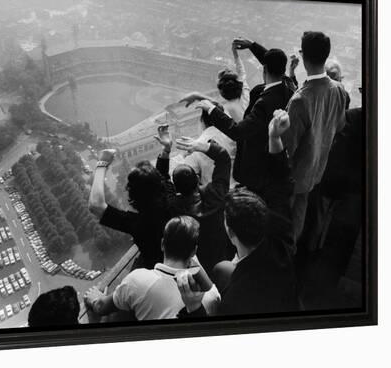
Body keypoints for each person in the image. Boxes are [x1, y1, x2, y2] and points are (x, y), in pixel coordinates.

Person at [176, 111, 299, 317]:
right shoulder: (283, 241)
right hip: (289, 299)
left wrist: (193, 307)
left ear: (230, 233)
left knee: (221, 269)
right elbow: (281, 183)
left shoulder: (237, 297)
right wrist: (274, 137)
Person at [189, 46, 295, 214]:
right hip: (270, 160)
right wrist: (252, 46)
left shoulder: (262, 102)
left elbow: (238, 132)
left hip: (254, 165)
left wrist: (209, 108)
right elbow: (260, 67)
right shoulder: (288, 87)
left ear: (265, 68)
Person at [84, 216, 220, 320]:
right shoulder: (209, 297)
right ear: (194, 252)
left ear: (162, 244)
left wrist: (94, 298)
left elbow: (102, 307)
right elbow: (213, 292)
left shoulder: (137, 280)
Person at [282, 31, 349, 245]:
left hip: (294, 177)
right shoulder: (339, 90)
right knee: (298, 223)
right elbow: (339, 125)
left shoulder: (300, 100)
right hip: (316, 170)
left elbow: (287, 147)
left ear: (303, 57)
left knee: (285, 228)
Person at [153, 124, 233, 272]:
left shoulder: (173, 207)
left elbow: (161, 181)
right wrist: (201, 146)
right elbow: (223, 159)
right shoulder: (216, 194)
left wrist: (166, 149)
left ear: (175, 188)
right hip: (223, 258)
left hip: (196, 267)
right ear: (197, 180)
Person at [88, 149, 172, 269]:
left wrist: (102, 163)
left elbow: (95, 205)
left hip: (155, 272)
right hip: (177, 266)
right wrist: (166, 151)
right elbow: (162, 175)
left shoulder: (138, 223)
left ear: (133, 195)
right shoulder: (171, 200)